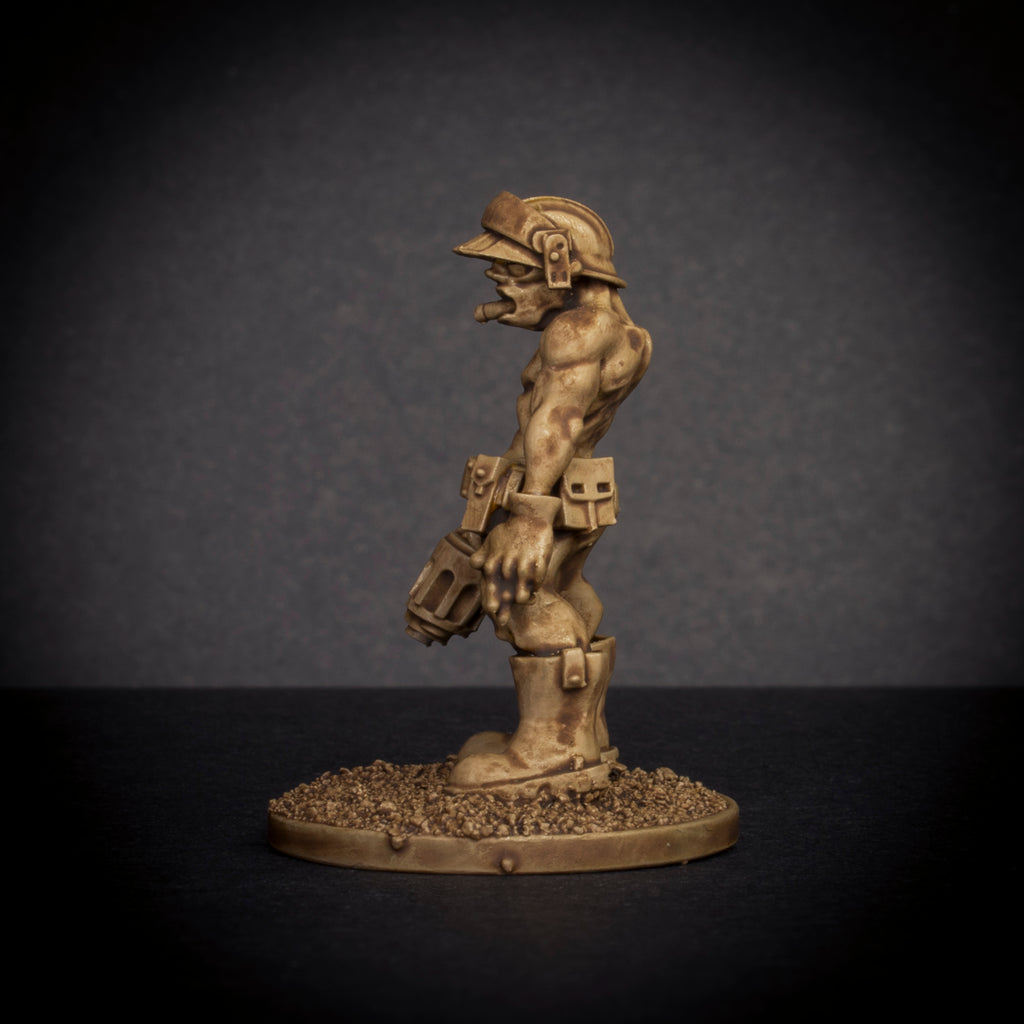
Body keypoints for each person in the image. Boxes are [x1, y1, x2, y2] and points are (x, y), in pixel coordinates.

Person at [406, 192, 652, 798]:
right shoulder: (617, 330)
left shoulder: (578, 328)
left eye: (513, 268)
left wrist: (530, 515)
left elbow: (558, 417)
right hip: (576, 491)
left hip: (550, 495)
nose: (498, 280)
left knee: (518, 596)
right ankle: (583, 732)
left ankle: (553, 752)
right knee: (565, 590)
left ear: (560, 265)